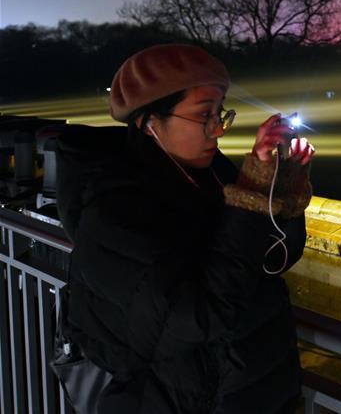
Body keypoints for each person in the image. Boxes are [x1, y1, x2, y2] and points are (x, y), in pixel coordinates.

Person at [56, 44, 313, 414]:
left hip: (255, 392)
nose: (217, 131)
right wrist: (250, 194)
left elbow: (273, 259)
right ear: (149, 122)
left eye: (220, 114)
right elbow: (196, 315)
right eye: (203, 115)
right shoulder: (115, 209)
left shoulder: (211, 174)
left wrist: (282, 189)